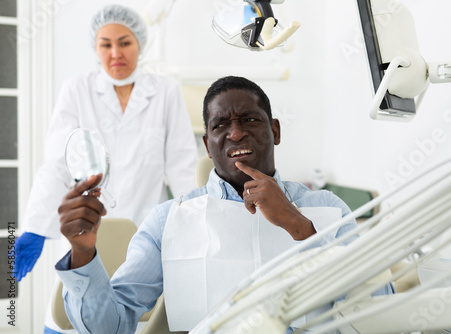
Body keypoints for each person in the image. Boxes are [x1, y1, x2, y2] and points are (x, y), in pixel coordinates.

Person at [55, 76, 394, 333]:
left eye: (249, 120)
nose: (235, 134)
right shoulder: (169, 221)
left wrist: (300, 227)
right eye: (220, 125)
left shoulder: (327, 209)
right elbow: (109, 326)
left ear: (274, 130)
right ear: (207, 144)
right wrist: (83, 254)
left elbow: (379, 313)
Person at [14, 4, 198, 334]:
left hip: (144, 233)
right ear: (95, 47)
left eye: (125, 42)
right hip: (85, 229)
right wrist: (35, 228)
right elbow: (58, 164)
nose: (116, 53)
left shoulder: (166, 92)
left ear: (140, 42)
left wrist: (195, 227)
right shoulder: (77, 89)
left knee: (136, 318)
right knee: (73, 315)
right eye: (106, 44)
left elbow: (183, 168)